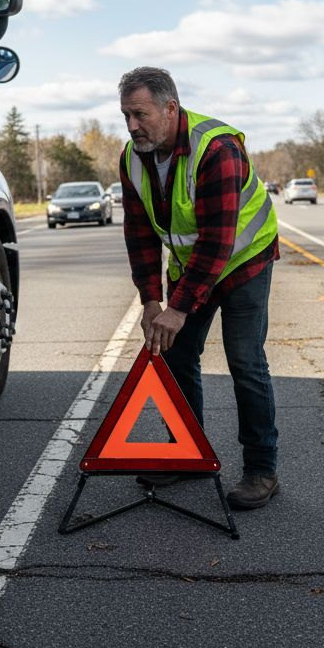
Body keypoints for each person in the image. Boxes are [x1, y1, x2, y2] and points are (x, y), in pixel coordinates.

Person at [116, 66, 281, 510]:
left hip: (244, 261)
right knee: (177, 353)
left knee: (245, 360)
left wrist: (179, 307)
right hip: (194, 266)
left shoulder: (217, 149)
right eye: (125, 115)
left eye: (141, 114)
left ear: (170, 109)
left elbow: (218, 240)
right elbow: (140, 233)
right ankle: (187, 453)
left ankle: (262, 470)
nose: (133, 126)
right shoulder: (133, 157)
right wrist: (151, 301)